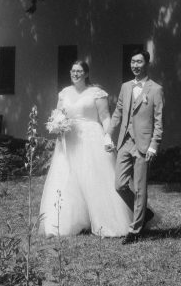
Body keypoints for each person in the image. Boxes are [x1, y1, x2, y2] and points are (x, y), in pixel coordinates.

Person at [38, 61, 132, 237]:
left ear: (86, 74)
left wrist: (107, 136)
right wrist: (57, 125)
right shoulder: (64, 92)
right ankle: (68, 222)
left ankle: (108, 220)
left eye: (79, 71)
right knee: (67, 178)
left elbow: (105, 117)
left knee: (94, 177)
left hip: (92, 138)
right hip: (68, 140)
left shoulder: (97, 93)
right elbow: (58, 114)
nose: (75, 74)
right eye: (73, 71)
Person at [106, 49, 163, 244]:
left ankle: (136, 229)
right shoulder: (125, 87)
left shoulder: (155, 89)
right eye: (132, 61)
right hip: (125, 142)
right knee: (119, 184)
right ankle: (144, 213)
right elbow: (118, 112)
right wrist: (108, 133)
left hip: (143, 145)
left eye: (139, 62)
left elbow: (158, 121)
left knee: (140, 188)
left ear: (147, 64)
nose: (135, 65)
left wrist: (153, 146)